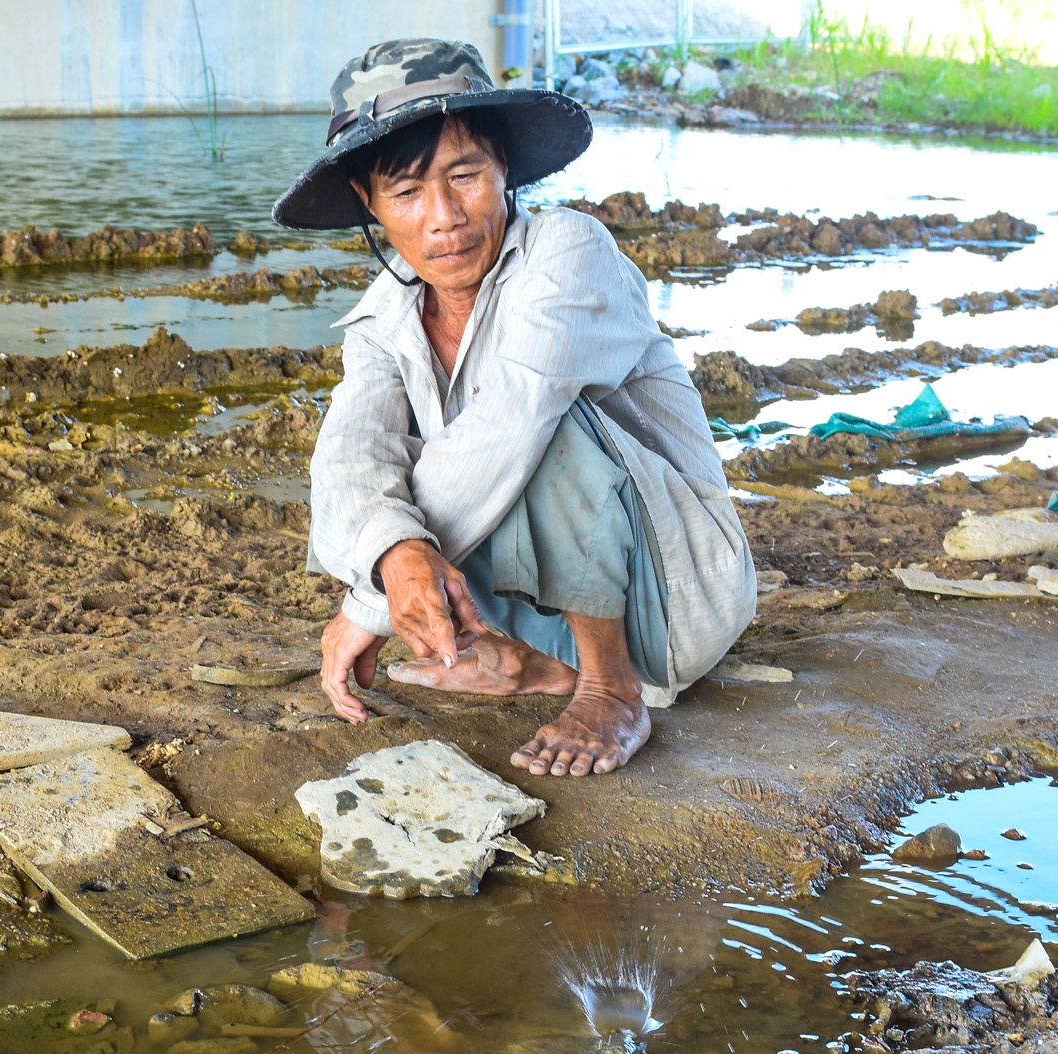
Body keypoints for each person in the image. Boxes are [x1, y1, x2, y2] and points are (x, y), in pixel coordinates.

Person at [273, 38, 755, 778]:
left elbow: (514, 419)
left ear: (504, 171)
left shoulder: (567, 251)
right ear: (369, 205)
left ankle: (610, 685)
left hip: (670, 598)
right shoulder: (383, 318)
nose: (443, 218)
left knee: (539, 423)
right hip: (526, 606)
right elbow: (349, 458)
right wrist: (390, 561)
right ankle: (526, 661)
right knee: (380, 500)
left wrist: (370, 604)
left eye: (464, 175)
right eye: (405, 194)